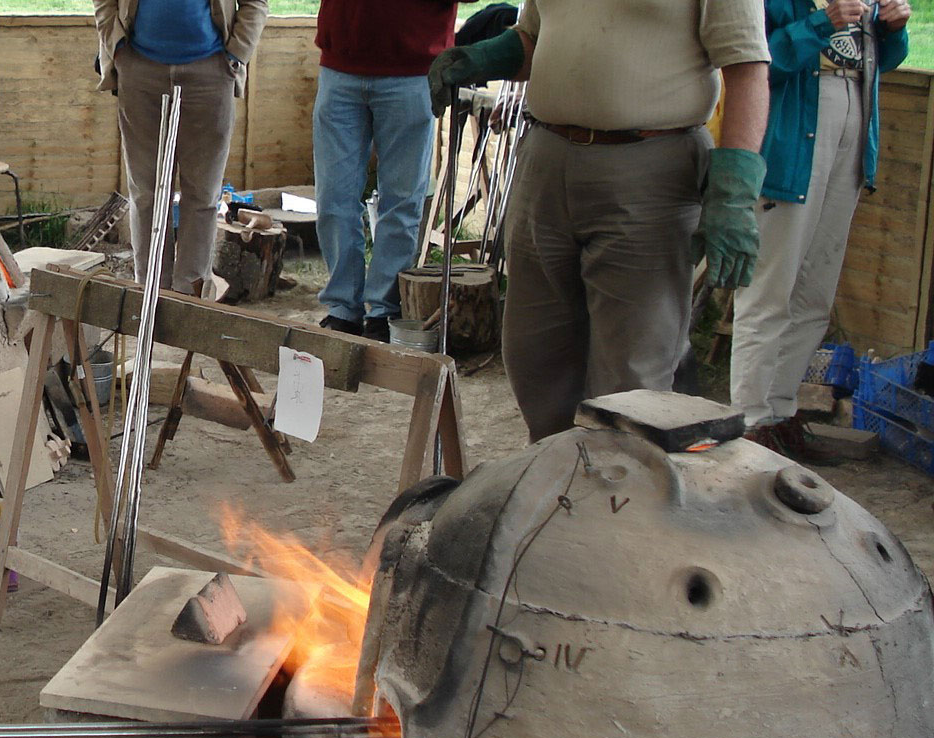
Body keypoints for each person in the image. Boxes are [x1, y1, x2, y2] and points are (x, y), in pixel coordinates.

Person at [430, 2, 772, 442]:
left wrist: (735, 191)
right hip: (546, 158)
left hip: (652, 170)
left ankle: (622, 497)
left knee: (633, 372)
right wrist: (479, 58)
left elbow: (747, 69)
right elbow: (531, 39)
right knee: (536, 355)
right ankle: (560, 481)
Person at [732, 0, 912, 456]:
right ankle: (750, 424)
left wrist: (895, 29)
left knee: (815, 294)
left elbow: (879, 62)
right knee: (769, 291)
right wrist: (819, 22)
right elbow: (757, 62)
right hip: (792, 140)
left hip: (852, 134)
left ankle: (781, 414)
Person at [93, 0, 268, 296]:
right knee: (147, 193)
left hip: (211, 71)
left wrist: (237, 53)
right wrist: (118, 47)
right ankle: (151, 295)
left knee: (202, 194)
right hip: (140, 69)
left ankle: (189, 298)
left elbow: (256, 3)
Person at [312, 0, 457, 343]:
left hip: (413, 70)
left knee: (403, 201)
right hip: (340, 67)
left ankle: (382, 310)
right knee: (334, 198)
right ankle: (343, 309)